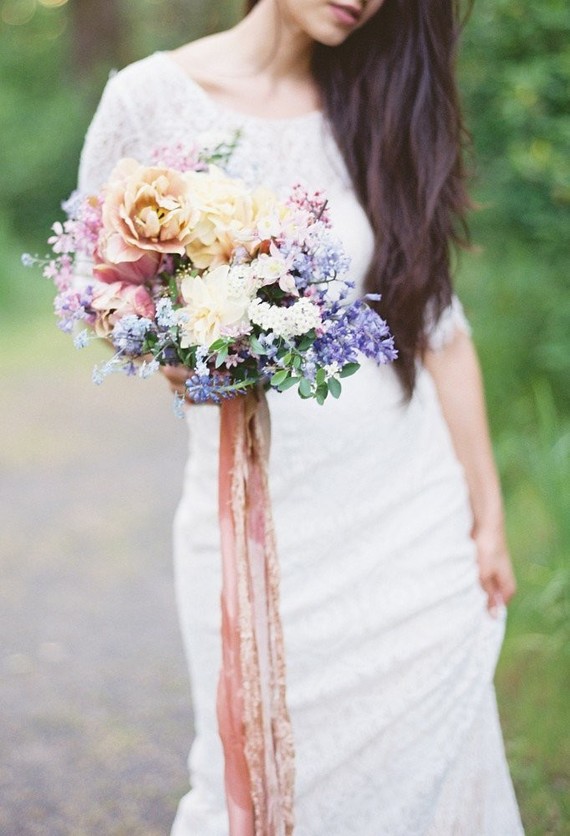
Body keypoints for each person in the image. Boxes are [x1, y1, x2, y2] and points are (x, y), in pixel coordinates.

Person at [77, 0, 524, 832]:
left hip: (408, 510)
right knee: (251, 775)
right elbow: (101, 282)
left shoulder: (377, 104)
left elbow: (440, 333)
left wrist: (487, 515)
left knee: (434, 765)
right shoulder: (149, 97)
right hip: (249, 507)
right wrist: (167, 344)